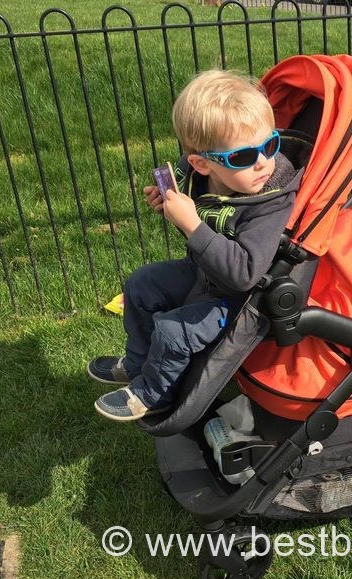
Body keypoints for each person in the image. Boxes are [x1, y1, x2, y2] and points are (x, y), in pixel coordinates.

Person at [87, 69, 303, 421]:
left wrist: (191, 224)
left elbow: (244, 274)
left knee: (174, 331)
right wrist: (171, 204)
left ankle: (153, 394)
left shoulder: (270, 200)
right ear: (202, 164)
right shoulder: (200, 176)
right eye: (242, 156)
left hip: (237, 299)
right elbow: (204, 226)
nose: (263, 161)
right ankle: (139, 362)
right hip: (204, 272)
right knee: (141, 284)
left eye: (270, 144)